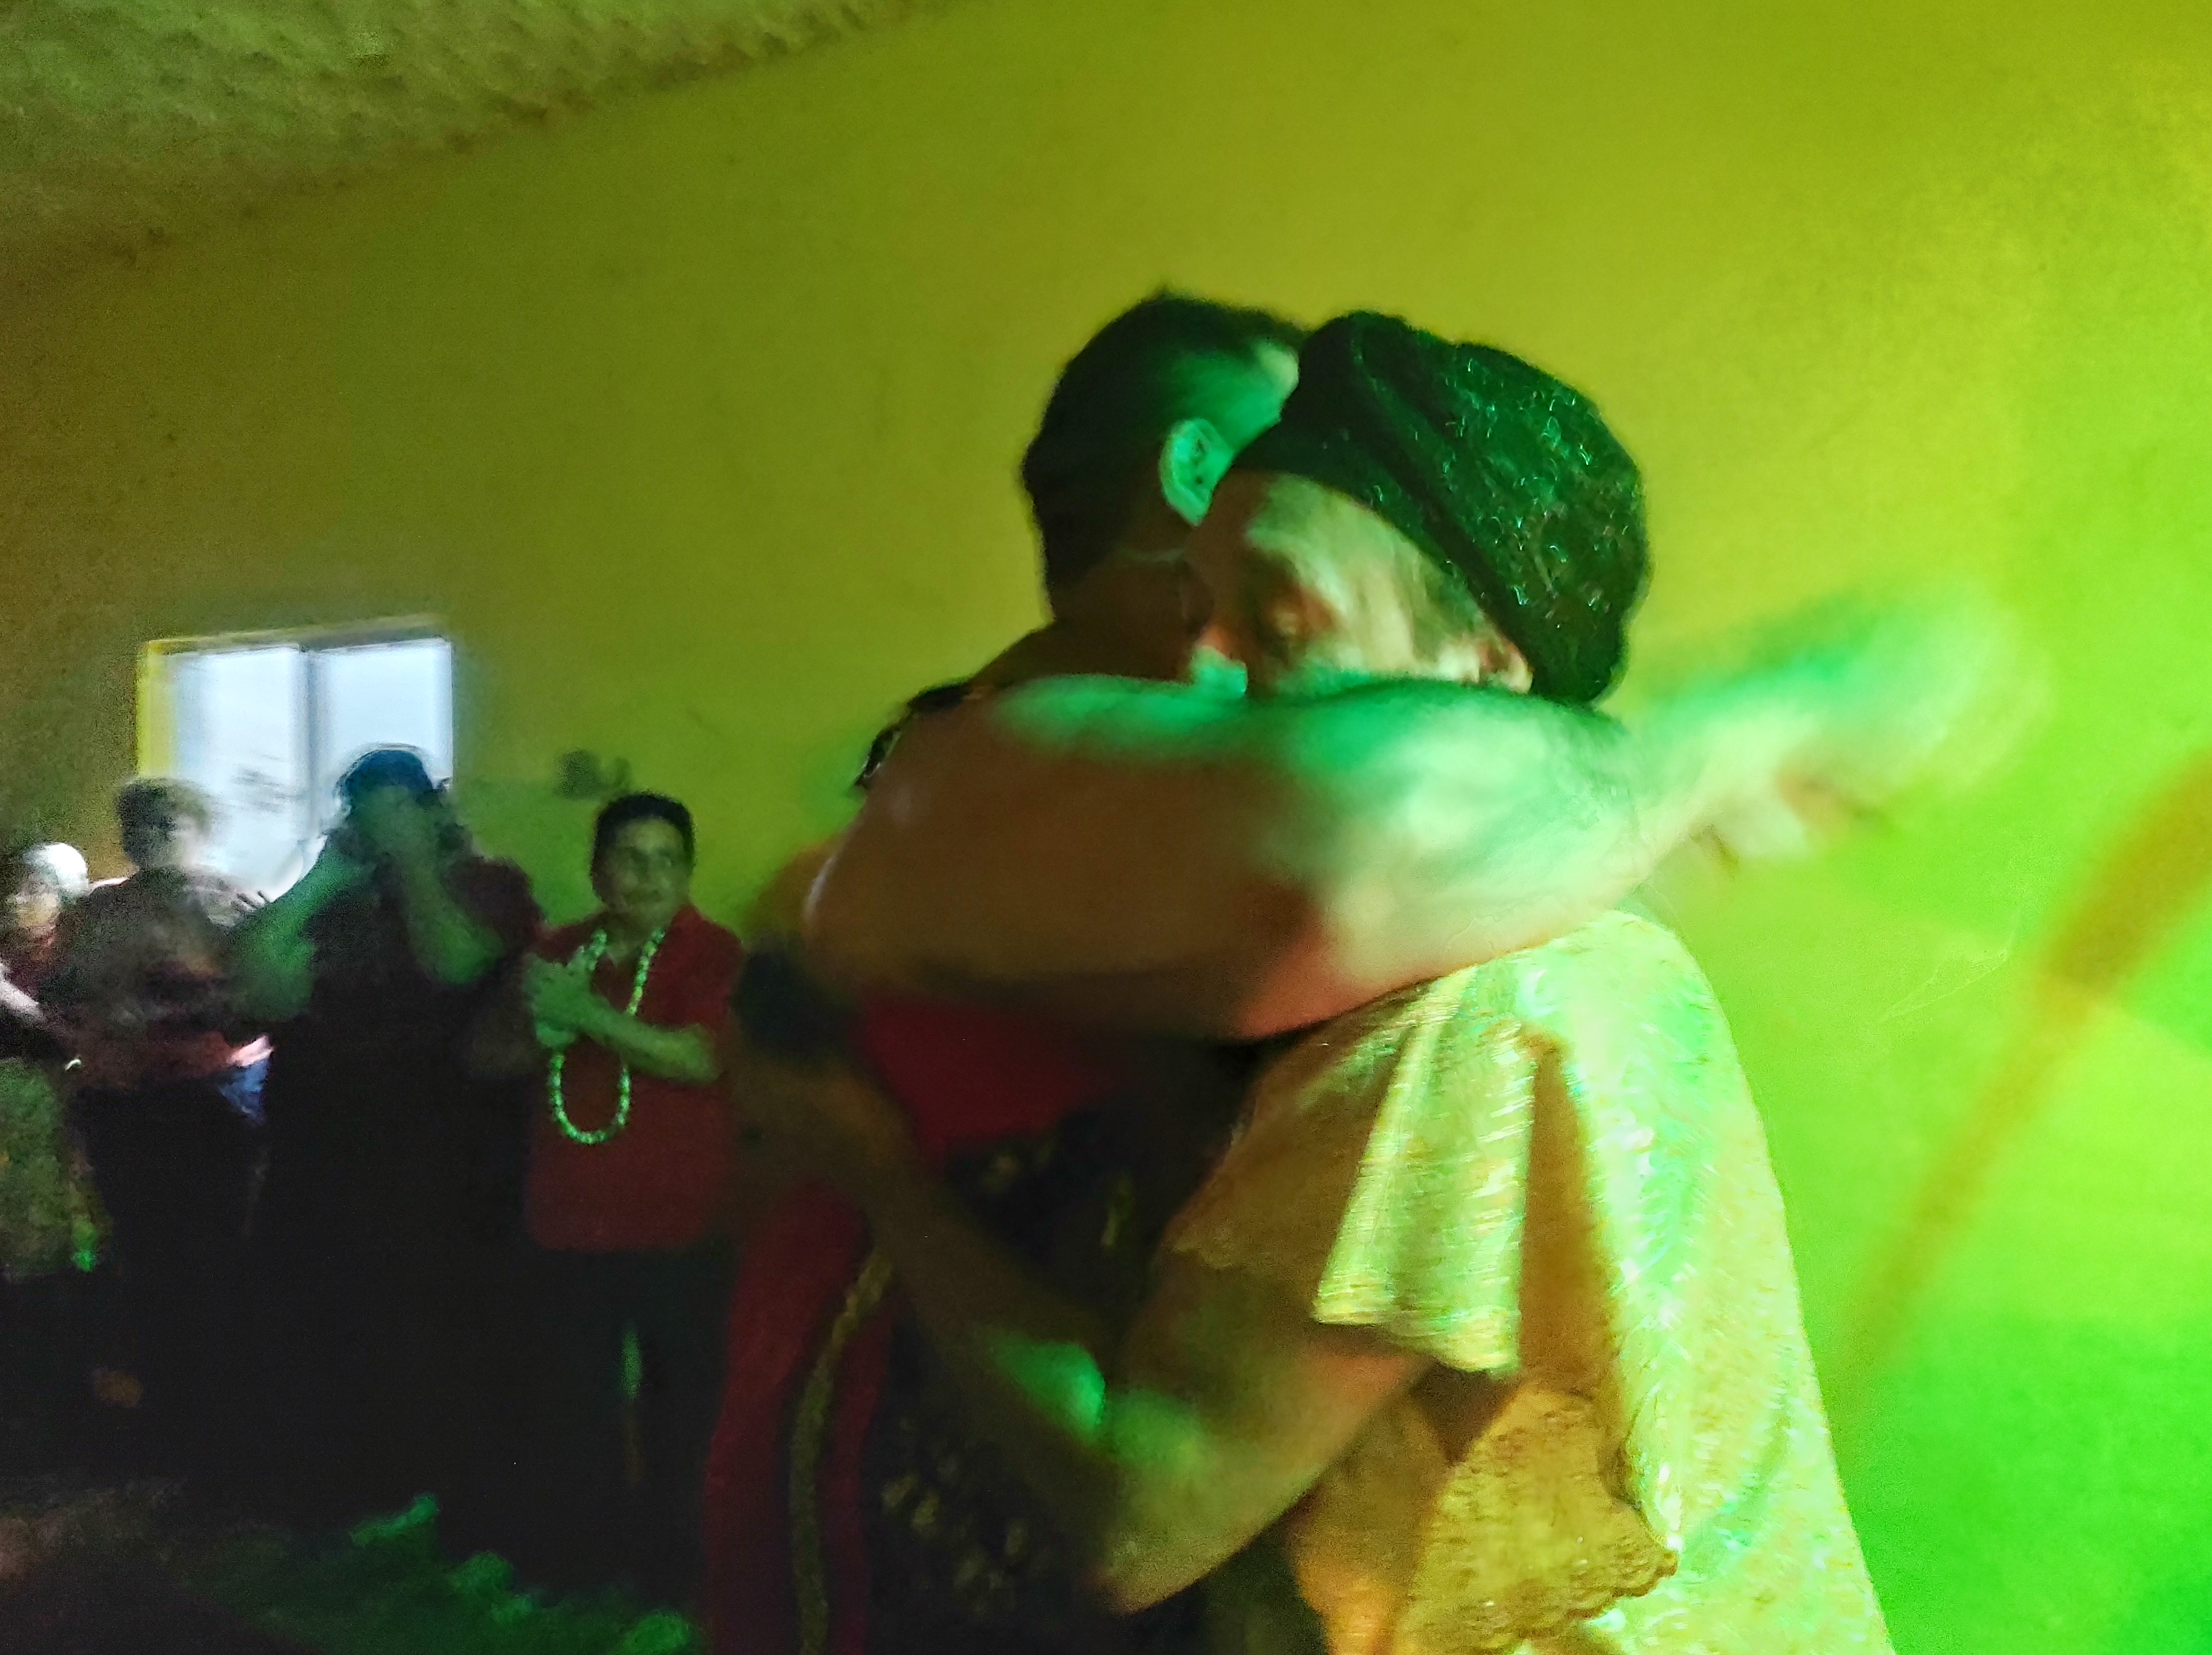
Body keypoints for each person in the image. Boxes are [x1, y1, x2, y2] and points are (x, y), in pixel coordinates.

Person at [748, 313, 1908, 1650]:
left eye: (1277, 619)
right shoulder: (1530, 924)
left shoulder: (1477, 1009)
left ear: (1483, 679)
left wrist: (883, 1173)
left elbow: (1141, 1508)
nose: (1198, 672)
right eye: (1197, 605)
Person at [231, 747, 540, 1526]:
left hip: (437, 1148)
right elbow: (259, 986)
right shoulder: (338, 896)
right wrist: (323, 879)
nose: (379, 824)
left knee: (423, 1325)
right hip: (319, 1142)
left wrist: (412, 865)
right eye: (365, 811)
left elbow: (455, 965)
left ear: (433, 807)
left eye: (396, 807)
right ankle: (339, 1484)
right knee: (320, 1318)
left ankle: (430, 1488)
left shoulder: (488, 883)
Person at [471, 792, 744, 1604]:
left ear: (688, 872)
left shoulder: (714, 954)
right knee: (569, 1408)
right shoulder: (560, 950)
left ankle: (675, 1583)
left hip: (677, 1227)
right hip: (566, 1223)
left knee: (682, 1414)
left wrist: (584, 1012)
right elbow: (486, 1059)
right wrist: (538, 1026)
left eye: (668, 860)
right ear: (598, 871)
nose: (650, 876)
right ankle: (575, 1564)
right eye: (632, 858)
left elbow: (700, 1059)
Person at [40, 782, 266, 1473]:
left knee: (218, 1259)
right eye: (135, 822)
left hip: (212, 1101)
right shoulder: (97, 909)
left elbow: (257, 1001)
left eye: (166, 821)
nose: (149, 833)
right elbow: (60, 993)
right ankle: (166, 1419)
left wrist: (159, 1011)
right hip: (123, 1103)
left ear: (201, 826)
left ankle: (223, 1427)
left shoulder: (232, 903)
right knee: (146, 1257)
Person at [0, 842, 99, 1465]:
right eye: (12, 886)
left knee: (53, 1259)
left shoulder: (78, 958)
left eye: (34, 888)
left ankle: (62, 1408)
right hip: (11, 1135)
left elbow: (75, 1040)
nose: (16, 900)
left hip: (55, 1129)